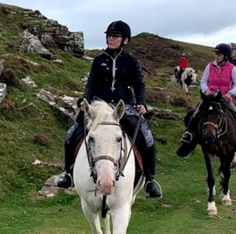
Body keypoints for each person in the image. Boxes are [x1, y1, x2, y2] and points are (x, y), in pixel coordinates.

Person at [57, 20, 162, 198]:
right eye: (109, 36)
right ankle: (68, 172)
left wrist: (141, 103)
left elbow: (139, 86)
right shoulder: (98, 60)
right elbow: (91, 84)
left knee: (147, 136)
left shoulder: (131, 62)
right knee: (72, 132)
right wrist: (86, 100)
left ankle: (150, 179)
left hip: (124, 107)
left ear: (125, 40)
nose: (111, 39)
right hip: (99, 106)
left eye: (115, 36)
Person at [176, 43, 236, 157]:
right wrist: (206, 90)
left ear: (226, 56)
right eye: (216, 54)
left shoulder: (232, 68)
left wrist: (229, 94)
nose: (216, 56)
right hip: (211, 97)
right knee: (196, 112)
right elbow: (203, 81)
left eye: (219, 54)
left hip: (224, 98)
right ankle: (188, 134)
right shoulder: (209, 66)